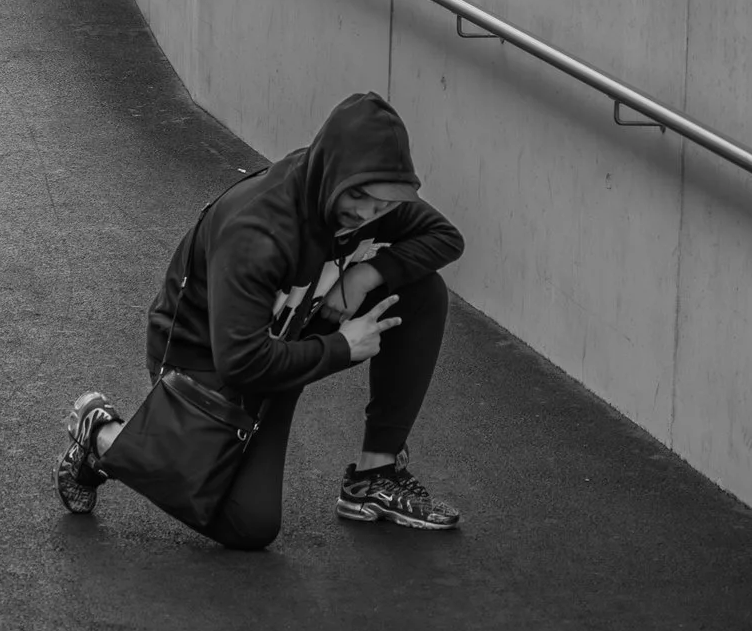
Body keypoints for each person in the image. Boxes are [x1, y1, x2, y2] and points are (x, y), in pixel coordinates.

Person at [54, 91, 464, 548]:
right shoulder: (259, 231)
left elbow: (446, 237)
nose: (368, 214)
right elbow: (241, 364)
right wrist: (342, 346)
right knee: (251, 526)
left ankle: (374, 477)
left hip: (283, 337)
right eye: (360, 197)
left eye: (383, 205)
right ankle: (103, 436)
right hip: (205, 362)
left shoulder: (370, 199)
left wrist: (366, 275)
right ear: (333, 172)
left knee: (422, 293)